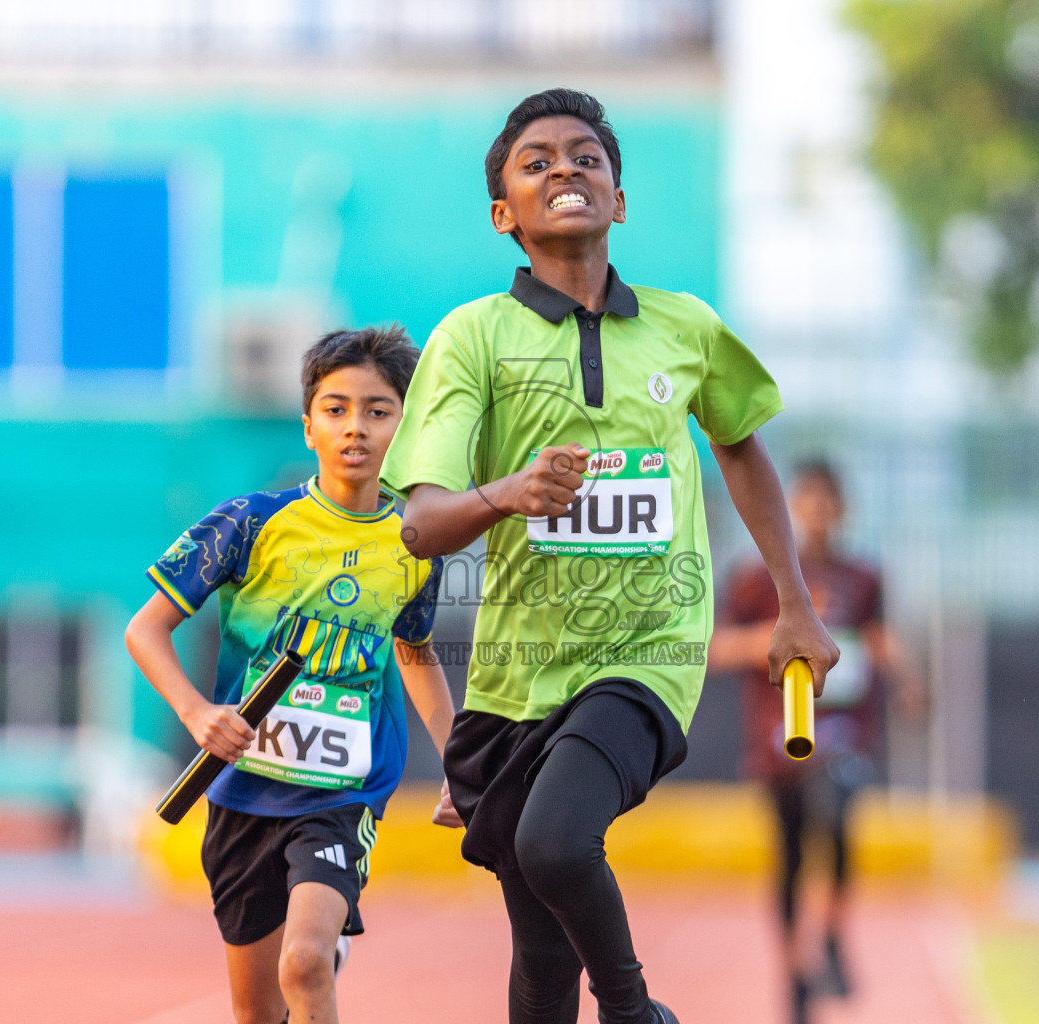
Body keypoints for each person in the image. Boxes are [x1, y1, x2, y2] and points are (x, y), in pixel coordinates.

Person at [380, 88, 839, 1024]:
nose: (565, 170)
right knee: (541, 960)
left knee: (556, 843)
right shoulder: (473, 338)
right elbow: (423, 523)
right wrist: (507, 492)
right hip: (512, 678)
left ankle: (636, 1013)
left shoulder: (687, 328)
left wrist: (794, 601)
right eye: (537, 160)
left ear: (619, 198)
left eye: (586, 157)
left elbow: (742, 445)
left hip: (646, 653)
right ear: (504, 214)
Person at [125, 326, 461, 1024]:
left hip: (343, 792)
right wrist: (195, 713)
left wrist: (463, 762)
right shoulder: (248, 524)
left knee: (303, 963)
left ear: (407, 424)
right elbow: (145, 630)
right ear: (308, 425)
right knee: (260, 1012)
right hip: (243, 793)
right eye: (335, 409)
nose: (355, 427)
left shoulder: (416, 544)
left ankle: (323, 951)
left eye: (378, 410)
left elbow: (415, 651)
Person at [711, 458, 923, 1023]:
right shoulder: (758, 580)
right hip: (778, 738)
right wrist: (770, 638)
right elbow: (714, 650)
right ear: (788, 507)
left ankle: (831, 935)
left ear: (843, 508)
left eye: (829, 502)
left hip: (843, 730)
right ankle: (795, 970)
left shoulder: (863, 578)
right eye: (806, 501)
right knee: (790, 858)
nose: (818, 515)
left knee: (840, 813)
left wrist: (906, 681)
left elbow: (878, 637)